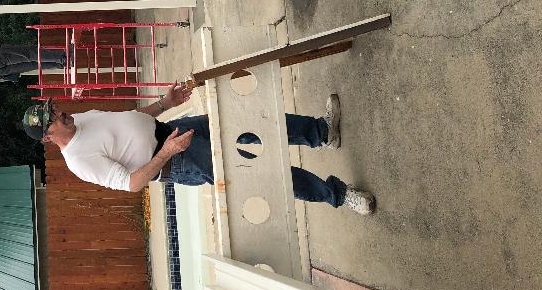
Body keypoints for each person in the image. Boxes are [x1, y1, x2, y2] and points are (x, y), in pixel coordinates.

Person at [21, 87, 376, 214]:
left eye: (53, 109)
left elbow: (131, 120)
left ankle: (322, 131)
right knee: (260, 171)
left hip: (171, 130)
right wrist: (167, 153)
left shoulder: (80, 120)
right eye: (51, 119)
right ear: (47, 138)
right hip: (176, 159)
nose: (59, 113)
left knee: (252, 123)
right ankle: (339, 196)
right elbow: (130, 184)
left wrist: (164, 103)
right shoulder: (79, 161)